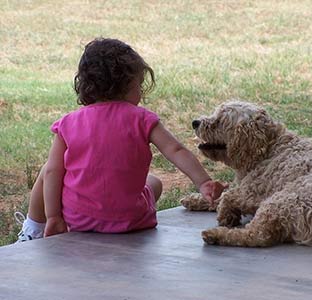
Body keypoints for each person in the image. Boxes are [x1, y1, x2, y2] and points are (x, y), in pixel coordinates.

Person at [15, 37, 227, 242]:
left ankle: (32, 230)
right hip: (132, 221)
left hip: (78, 219)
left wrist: (54, 217)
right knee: (154, 182)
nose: (141, 93)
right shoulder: (142, 119)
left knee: (48, 170)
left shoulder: (68, 123)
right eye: (139, 85)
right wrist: (203, 182)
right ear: (127, 84)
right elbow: (175, 150)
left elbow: (53, 171)